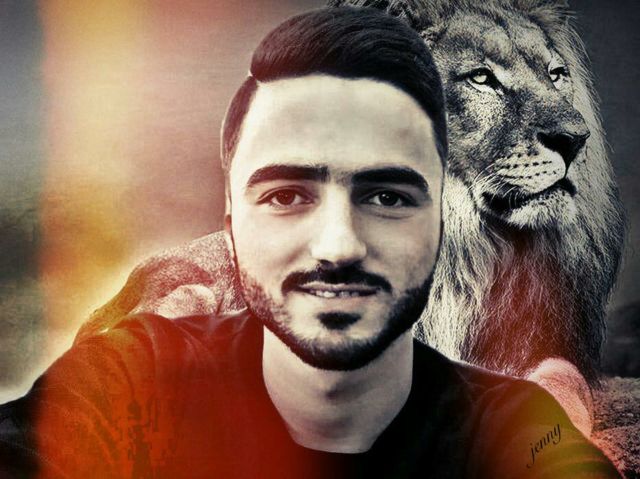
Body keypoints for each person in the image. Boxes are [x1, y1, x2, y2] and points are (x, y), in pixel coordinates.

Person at [0, 7, 621, 478]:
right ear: (229, 220)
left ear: (437, 214)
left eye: (387, 196)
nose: (338, 245)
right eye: (286, 195)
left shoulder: (519, 424)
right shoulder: (126, 374)